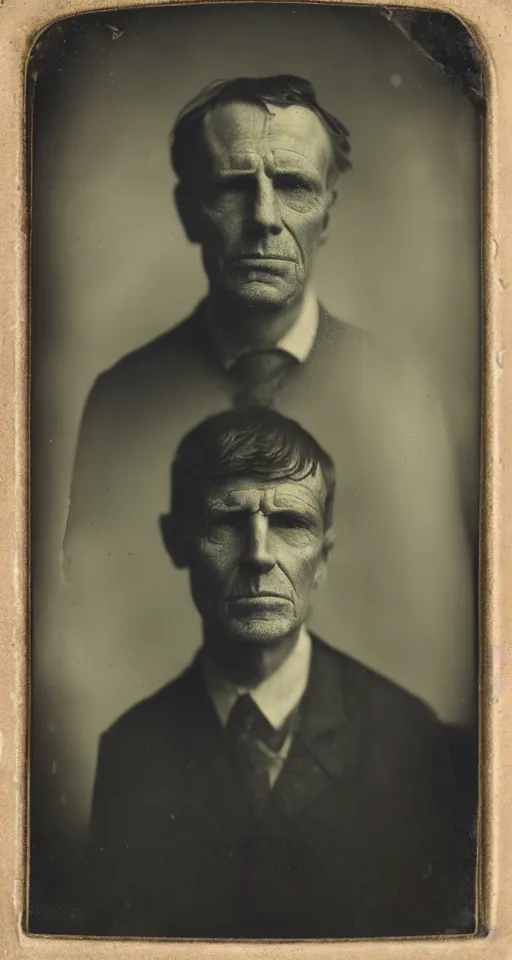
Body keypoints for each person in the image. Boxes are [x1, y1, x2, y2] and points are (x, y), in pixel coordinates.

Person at [65, 74, 475, 763]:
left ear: (329, 213)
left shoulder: (407, 395)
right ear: (189, 209)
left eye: (293, 185)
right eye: (232, 187)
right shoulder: (117, 399)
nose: (263, 215)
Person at [83, 408, 474, 939]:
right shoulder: (130, 751)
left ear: (325, 555)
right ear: (176, 542)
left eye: (291, 524)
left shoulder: (410, 738)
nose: (259, 556)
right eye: (226, 521)